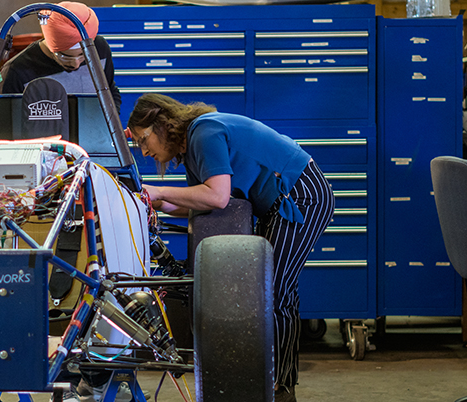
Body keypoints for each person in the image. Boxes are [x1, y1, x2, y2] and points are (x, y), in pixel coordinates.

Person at [126, 93, 335, 402]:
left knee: (275, 291)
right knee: (271, 292)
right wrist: (157, 202)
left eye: (144, 140)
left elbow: (218, 196)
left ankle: (281, 385)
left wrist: (156, 189)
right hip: (275, 206)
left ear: (162, 125)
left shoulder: (204, 132)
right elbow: (201, 203)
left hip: (300, 197)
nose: (144, 151)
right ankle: (272, 380)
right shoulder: (191, 147)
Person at [0, 1, 121, 113]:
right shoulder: (16, 71)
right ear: (51, 46)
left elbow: (110, 91)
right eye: (66, 56)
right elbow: (4, 121)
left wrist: (107, 126)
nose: (75, 64)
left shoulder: (100, 50)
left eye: (83, 56)